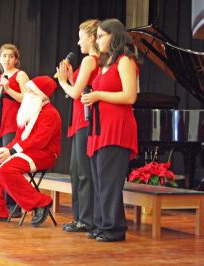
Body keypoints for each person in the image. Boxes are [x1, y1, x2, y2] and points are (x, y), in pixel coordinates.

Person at [81, 18, 139, 242]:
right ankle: (102, 224)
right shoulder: (106, 64)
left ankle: (114, 229)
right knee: (99, 181)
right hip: (100, 130)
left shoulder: (125, 61)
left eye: (101, 35)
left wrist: (98, 95)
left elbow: (129, 96)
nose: (97, 39)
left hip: (116, 129)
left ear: (114, 36)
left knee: (109, 183)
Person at [0, 76, 61, 227]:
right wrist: (7, 149)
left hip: (43, 154)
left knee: (6, 170)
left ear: (40, 94)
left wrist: (13, 151)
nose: (26, 94)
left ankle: (41, 203)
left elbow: (39, 141)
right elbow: (19, 138)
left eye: (30, 91)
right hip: (26, 151)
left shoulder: (50, 114)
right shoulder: (30, 111)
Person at [56, 19, 100, 233]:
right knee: (76, 170)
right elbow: (79, 88)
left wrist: (63, 80)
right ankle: (79, 216)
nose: (78, 41)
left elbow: (74, 93)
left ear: (91, 38)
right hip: (79, 119)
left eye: (81, 36)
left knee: (83, 171)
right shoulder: (87, 61)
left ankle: (86, 219)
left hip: (86, 120)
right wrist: (71, 79)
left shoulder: (91, 60)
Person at [0, 43, 29, 215]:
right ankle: (0, 204)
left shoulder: (20, 75)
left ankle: (14, 204)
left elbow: (27, 99)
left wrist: (9, 89)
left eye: (11, 56)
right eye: (4, 56)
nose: (7, 59)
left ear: (16, 59)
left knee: (9, 163)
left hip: (13, 123)